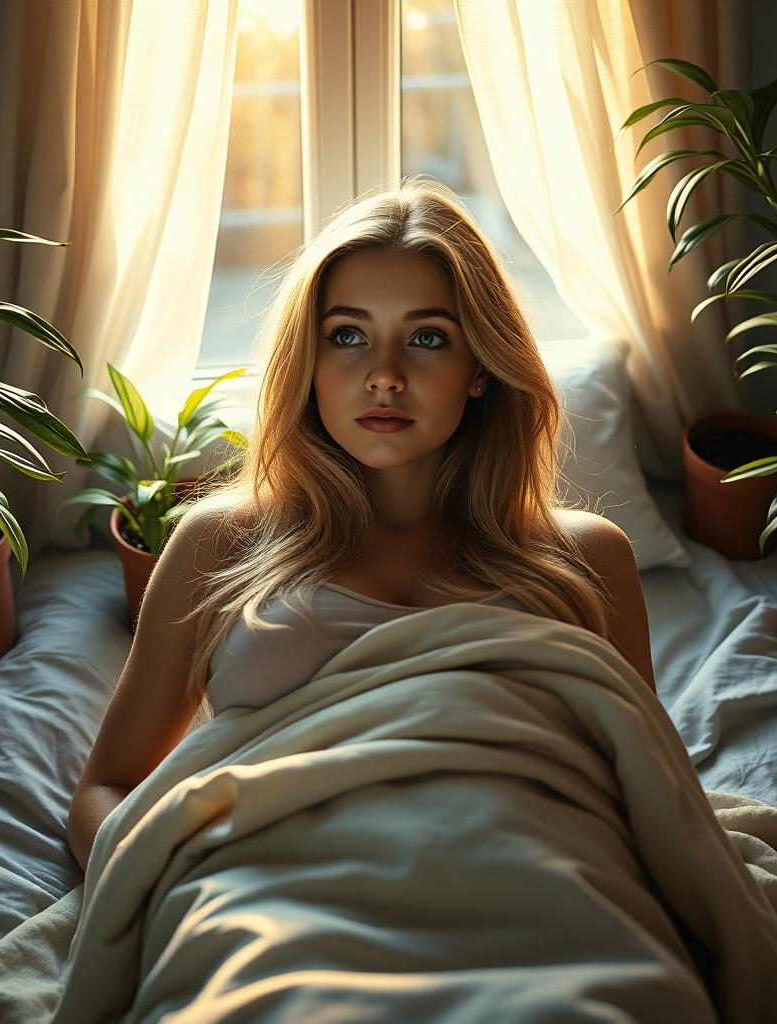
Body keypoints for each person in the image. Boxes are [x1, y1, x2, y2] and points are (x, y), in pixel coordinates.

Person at [66, 177, 655, 874]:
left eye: (428, 338)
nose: (383, 375)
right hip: (271, 912)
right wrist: (170, 890)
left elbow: (651, 796)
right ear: (309, 363)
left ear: (480, 369)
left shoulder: (584, 559)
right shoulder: (220, 543)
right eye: (347, 335)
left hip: (526, 888)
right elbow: (107, 790)